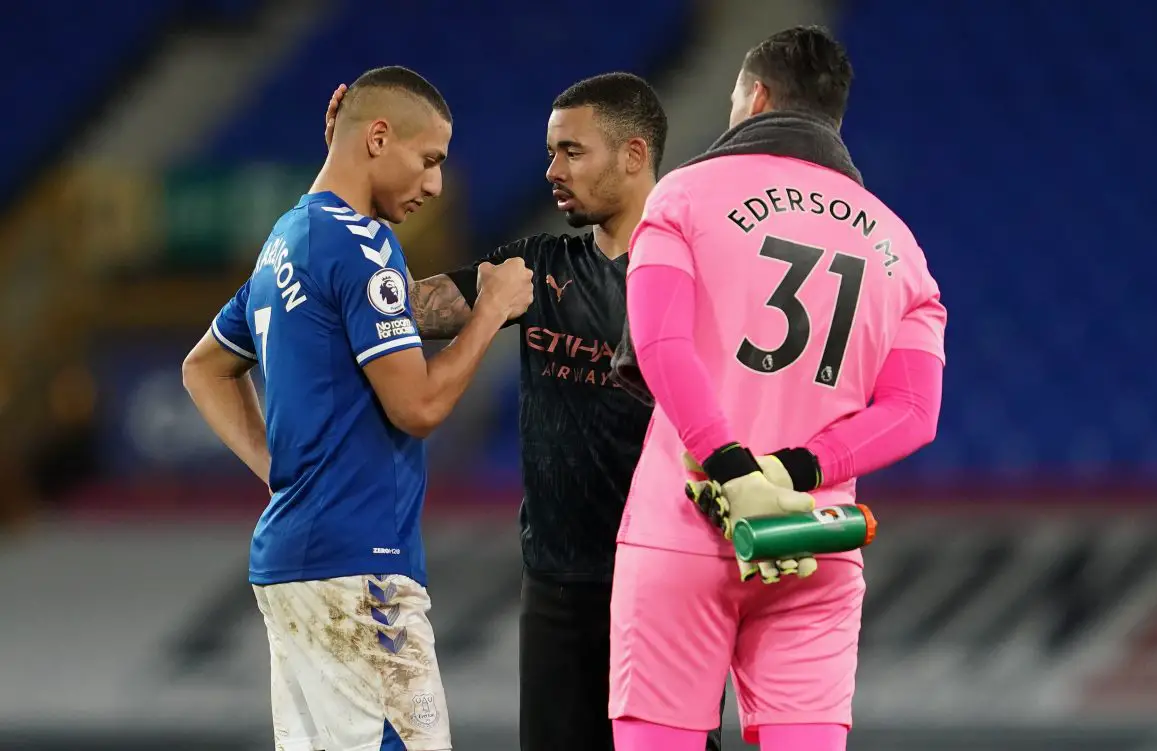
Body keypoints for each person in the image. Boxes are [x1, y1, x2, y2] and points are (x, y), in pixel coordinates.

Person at [320, 72, 723, 751]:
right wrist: (354, 175)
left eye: (571, 151)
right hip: (558, 588)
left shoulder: (699, 270)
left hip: (667, 582)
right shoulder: (533, 266)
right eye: (550, 151)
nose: (551, 170)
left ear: (633, 154)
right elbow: (400, 309)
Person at [607, 26, 947, 751]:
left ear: (755, 98)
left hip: (685, 527)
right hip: (808, 537)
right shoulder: (901, 248)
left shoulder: (684, 196)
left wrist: (732, 469)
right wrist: (793, 472)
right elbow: (915, 413)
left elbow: (662, 348)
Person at [182, 65, 533, 751]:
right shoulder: (364, 246)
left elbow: (205, 367)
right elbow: (420, 406)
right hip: (360, 571)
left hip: (295, 566)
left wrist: (285, 475)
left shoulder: (285, 241)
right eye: (428, 159)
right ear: (377, 137)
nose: (435, 184)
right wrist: (490, 312)